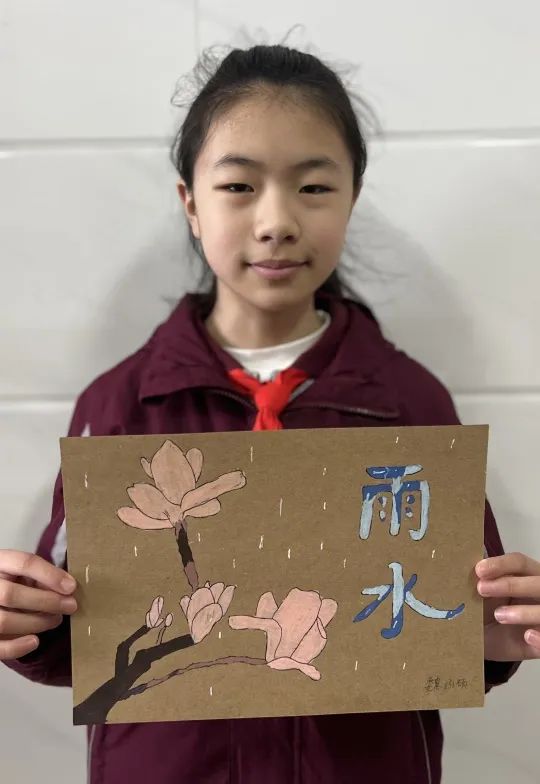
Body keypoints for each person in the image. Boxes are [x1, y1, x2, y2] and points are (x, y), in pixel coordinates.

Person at [1, 43, 539, 784]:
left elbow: (450, 623)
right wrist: (25, 623)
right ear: (191, 203)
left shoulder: (411, 406)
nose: (277, 220)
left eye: (314, 186)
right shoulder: (118, 408)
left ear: (352, 197)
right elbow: (78, 632)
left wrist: (498, 637)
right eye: (238, 186)